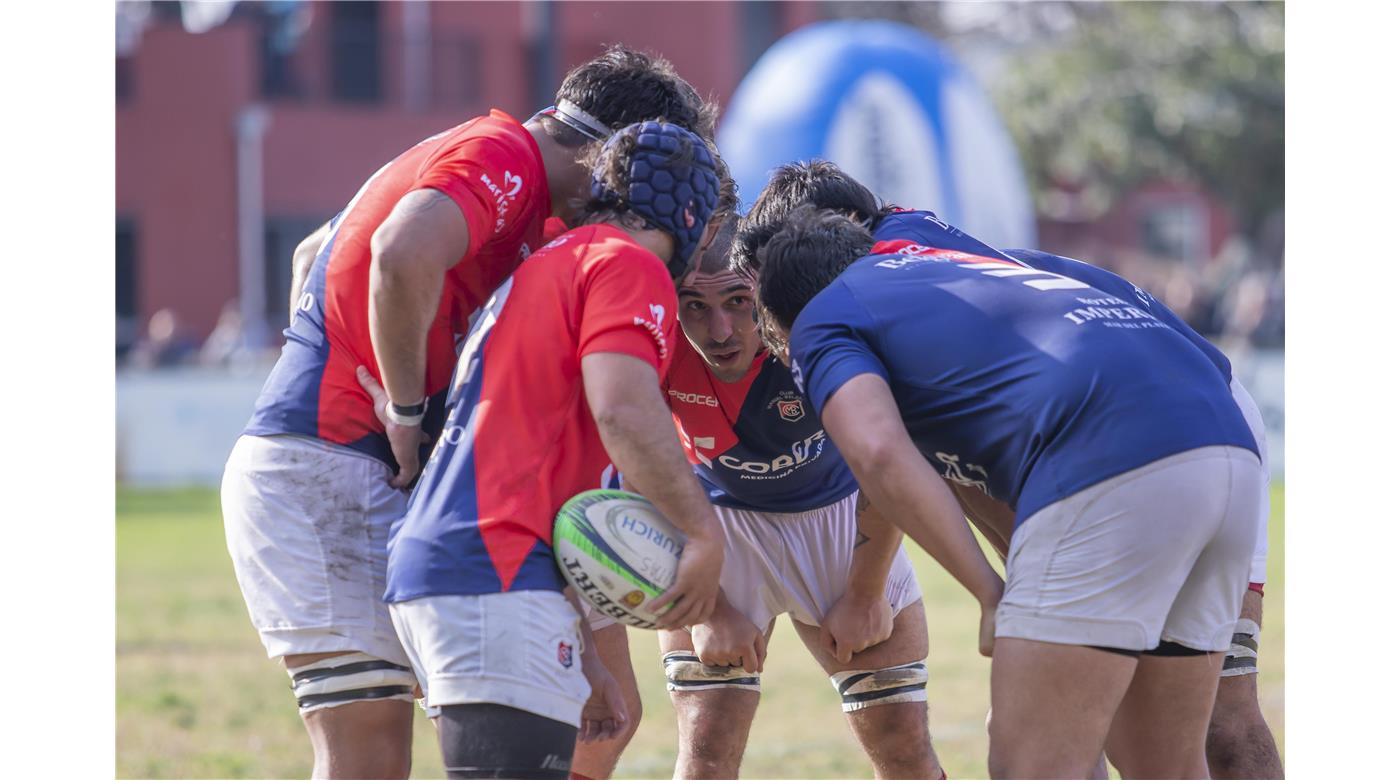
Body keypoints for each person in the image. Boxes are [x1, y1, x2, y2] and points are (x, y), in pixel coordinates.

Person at [221, 47, 716, 779]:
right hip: (338, 456)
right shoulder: (504, 153)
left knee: (563, 720)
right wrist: (405, 407)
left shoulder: (532, 210)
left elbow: (310, 254)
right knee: (369, 752)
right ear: (612, 153)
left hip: (378, 471)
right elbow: (399, 251)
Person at [733, 160, 1283, 778]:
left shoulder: (825, 313)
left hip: (1116, 445)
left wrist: (993, 594)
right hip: (1219, 428)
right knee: (1166, 759)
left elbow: (882, 454)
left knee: (1031, 757)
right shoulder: (929, 249)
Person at [382, 120, 727, 780]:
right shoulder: (625, 262)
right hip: (494, 575)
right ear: (691, 216)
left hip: (460, 569)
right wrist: (702, 533)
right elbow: (622, 407)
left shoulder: (549, 263)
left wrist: (584, 647)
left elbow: (547, 462)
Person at [573, 220, 944, 780]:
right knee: (707, 747)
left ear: (764, 294)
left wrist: (866, 593)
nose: (719, 330)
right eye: (695, 307)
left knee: (903, 744)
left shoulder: (811, 330)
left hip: (843, 520)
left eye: (738, 302)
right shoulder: (651, 341)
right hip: (712, 525)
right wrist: (711, 608)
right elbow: (638, 470)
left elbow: (886, 461)